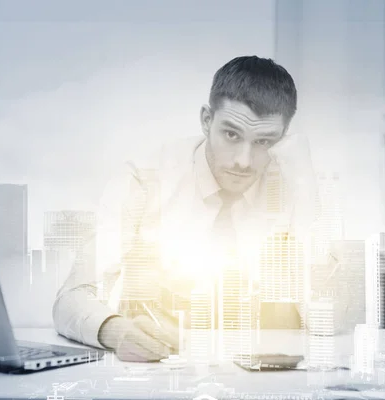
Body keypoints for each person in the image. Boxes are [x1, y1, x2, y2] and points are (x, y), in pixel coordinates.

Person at [53, 55, 322, 362]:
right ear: (207, 120)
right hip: (160, 370)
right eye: (231, 135)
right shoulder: (143, 180)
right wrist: (118, 332)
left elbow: (334, 310)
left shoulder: (291, 183)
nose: (243, 161)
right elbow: (71, 298)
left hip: (265, 374)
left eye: (263, 142)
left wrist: (305, 182)